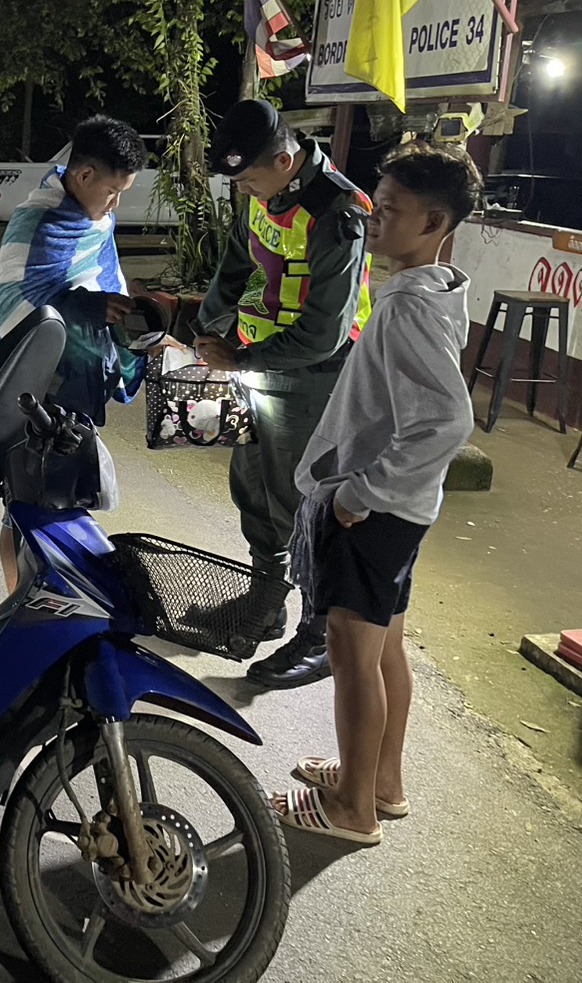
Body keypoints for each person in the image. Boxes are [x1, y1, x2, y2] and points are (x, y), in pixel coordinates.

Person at [270, 141, 481, 845]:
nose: (372, 219)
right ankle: (380, 783)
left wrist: (359, 493)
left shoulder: (406, 309)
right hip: (403, 510)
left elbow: (446, 421)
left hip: (376, 511)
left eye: (388, 210)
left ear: (433, 223)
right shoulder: (434, 291)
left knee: (351, 653)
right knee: (385, 646)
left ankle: (351, 810)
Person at [195, 99, 373, 689]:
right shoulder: (261, 194)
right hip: (260, 366)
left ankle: (319, 635)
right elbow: (236, 267)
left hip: (316, 378)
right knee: (254, 485)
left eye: (248, 179)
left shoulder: (338, 211)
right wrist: (205, 329)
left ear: (283, 160)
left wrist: (242, 358)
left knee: (307, 504)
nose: (243, 190)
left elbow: (324, 332)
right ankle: (265, 603)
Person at [0, 114, 149, 591]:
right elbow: (16, 306)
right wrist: (89, 308)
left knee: (60, 496)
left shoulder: (96, 220)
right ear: (84, 175)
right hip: (36, 389)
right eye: (113, 191)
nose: (116, 203)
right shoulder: (37, 220)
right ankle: (18, 601)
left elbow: (102, 279)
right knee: (27, 502)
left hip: (77, 383)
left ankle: (32, 599)